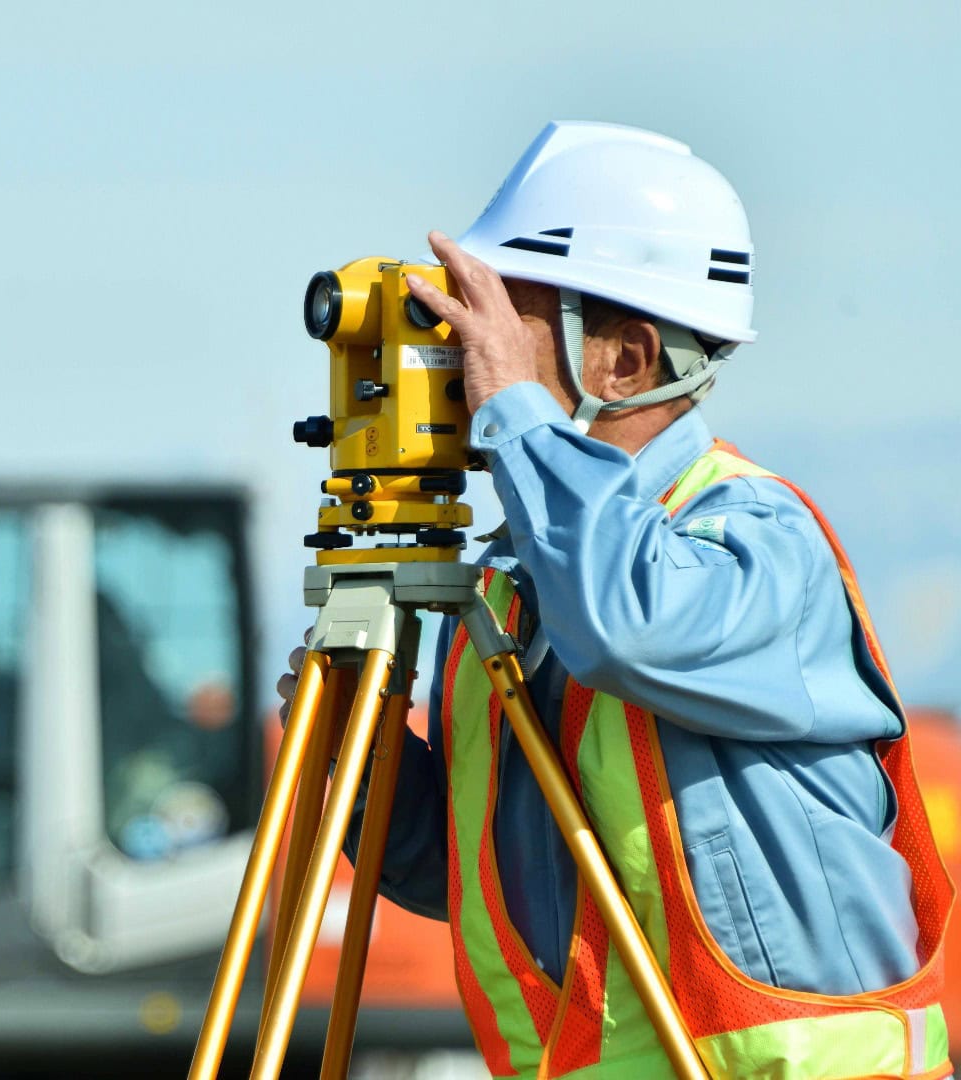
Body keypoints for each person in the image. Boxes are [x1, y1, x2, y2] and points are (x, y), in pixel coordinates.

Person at [276, 122, 952, 1076]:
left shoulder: (753, 539)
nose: (472, 360)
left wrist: (517, 411)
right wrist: (351, 738)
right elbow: (472, 880)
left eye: (507, 324)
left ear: (626, 360)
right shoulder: (514, 592)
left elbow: (627, 623)